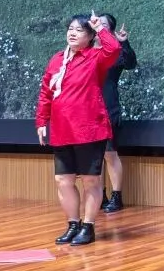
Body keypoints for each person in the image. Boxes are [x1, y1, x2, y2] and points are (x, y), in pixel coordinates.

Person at [36, 12, 121, 246]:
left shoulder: (96, 57)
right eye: (70, 29)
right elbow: (46, 92)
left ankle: (88, 226)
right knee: (63, 180)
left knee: (91, 181)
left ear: (90, 36)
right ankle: (73, 224)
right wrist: (41, 121)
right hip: (62, 130)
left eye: (79, 30)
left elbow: (114, 48)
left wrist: (100, 28)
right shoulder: (57, 59)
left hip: (89, 130)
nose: (72, 33)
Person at [98, 13, 136, 213]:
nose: (98, 26)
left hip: (108, 106)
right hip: (88, 108)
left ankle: (116, 196)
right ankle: (99, 195)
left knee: (109, 153)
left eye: (103, 24)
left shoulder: (114, 51)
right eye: (96, 23)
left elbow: (130, 63)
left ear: (111, 31)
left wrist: (124, 42)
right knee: (94, 156)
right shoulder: (87, 49)